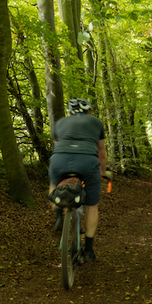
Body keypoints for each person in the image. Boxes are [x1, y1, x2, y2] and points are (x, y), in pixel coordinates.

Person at [48, 97, 109, 263]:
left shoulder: (60, 123)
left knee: (54, 185)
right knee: (91, 205)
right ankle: (88, 250)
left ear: (70, 112)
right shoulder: (96, 122)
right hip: (87, 162)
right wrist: (102, 172)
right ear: (88, 111)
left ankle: (58, 216)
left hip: (59, 160)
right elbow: (101, 152)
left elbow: (57, 146)